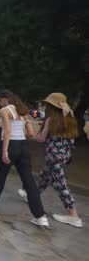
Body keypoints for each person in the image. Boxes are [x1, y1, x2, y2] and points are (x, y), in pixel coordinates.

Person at [0, 90, 48, 227]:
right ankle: (41, 216)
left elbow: (7, 131)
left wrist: (5, 151)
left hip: (10, 145)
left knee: (1, 175)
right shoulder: (24, 111)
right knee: (29, 182)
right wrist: (21, 138)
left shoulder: (4, 110)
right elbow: (31, 133)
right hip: (23, 146)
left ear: (3, 99)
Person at [18, 93, 83, 228]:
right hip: (64, 155)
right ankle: (31, 195)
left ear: (52, 106)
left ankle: (74, 216)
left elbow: (41, 139)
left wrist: (33, 135)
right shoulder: (70, 119)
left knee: (61, 186)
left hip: (53, 156)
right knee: (45, 176)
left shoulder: (51, 120)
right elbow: (72, 140)